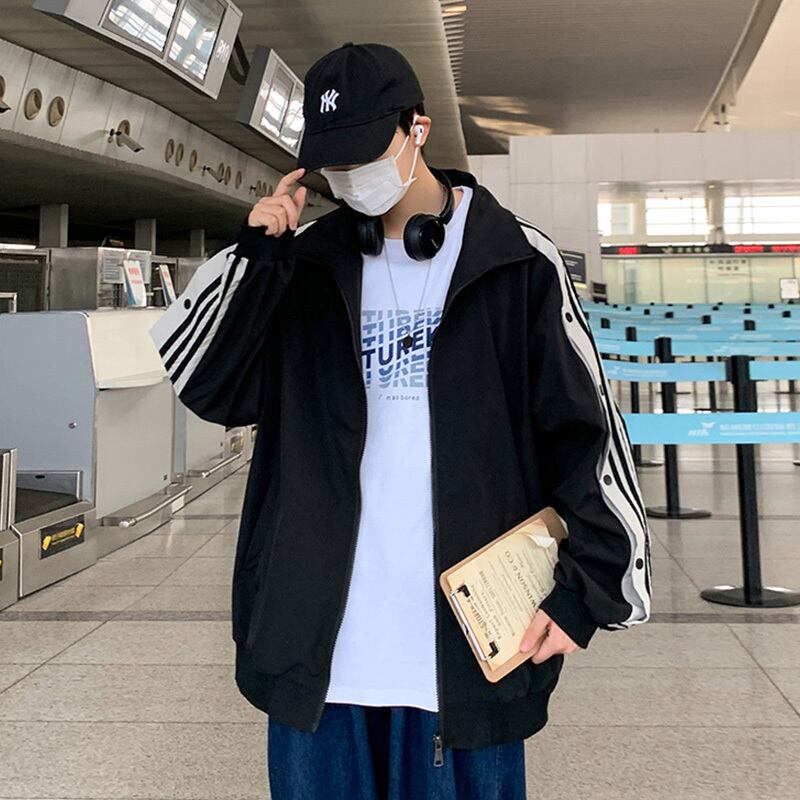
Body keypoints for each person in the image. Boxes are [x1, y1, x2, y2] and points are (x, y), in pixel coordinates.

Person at [149, 41, 652, 800]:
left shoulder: (516, 261)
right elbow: (212, 388)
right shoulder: (304, 266)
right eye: (334, 163)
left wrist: (586, 592)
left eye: (365, 153)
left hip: (468, 644)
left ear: (417, 129)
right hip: (316, 642)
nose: (351, 176)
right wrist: (257, 257)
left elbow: (587, 435)